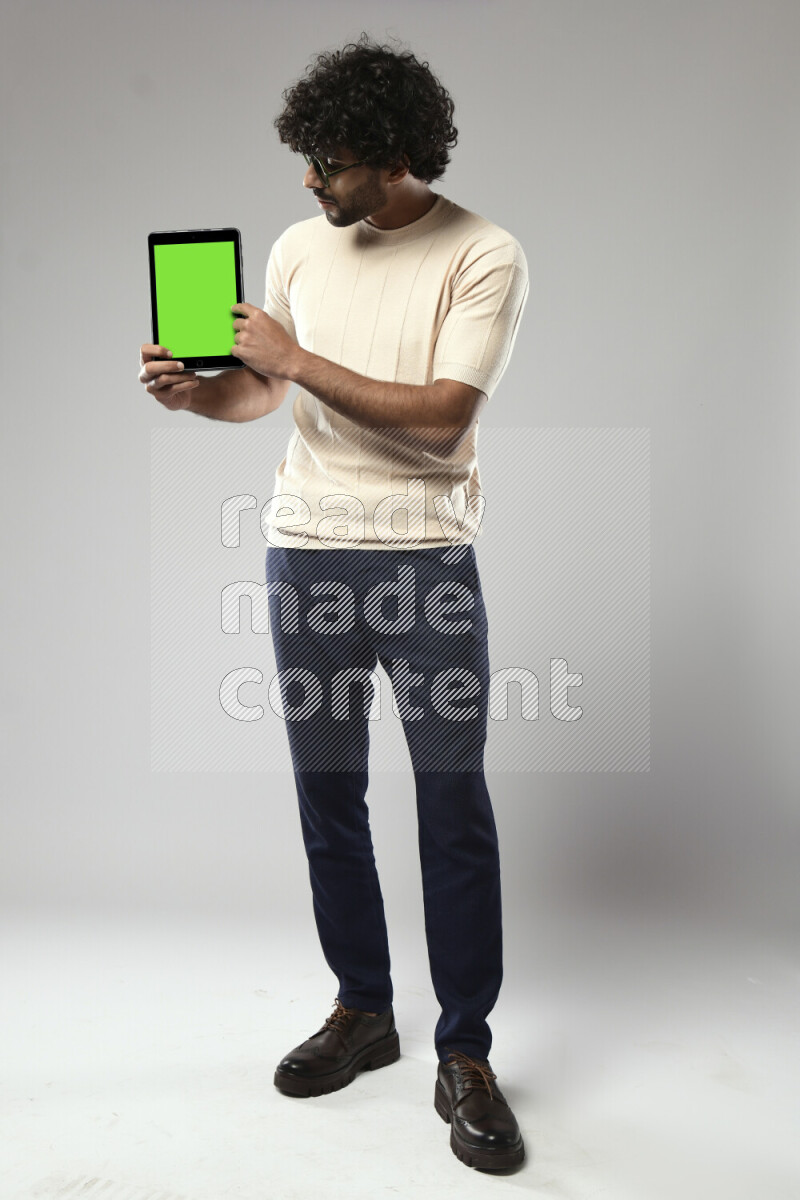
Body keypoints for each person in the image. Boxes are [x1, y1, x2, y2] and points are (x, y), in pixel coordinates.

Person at [139, 32, 529, 1172]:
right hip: (305, 559)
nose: (310, 179)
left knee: (450, 804)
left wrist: (295, 360)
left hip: (425, 567)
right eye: (306, 158)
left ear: (396, 157)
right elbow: (264, 392)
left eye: (332, 161)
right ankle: (363, 1009)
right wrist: (197, 397)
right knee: (328, 796)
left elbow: (443, 418)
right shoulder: (299, 247)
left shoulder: (484, 252)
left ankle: (465, 1053)